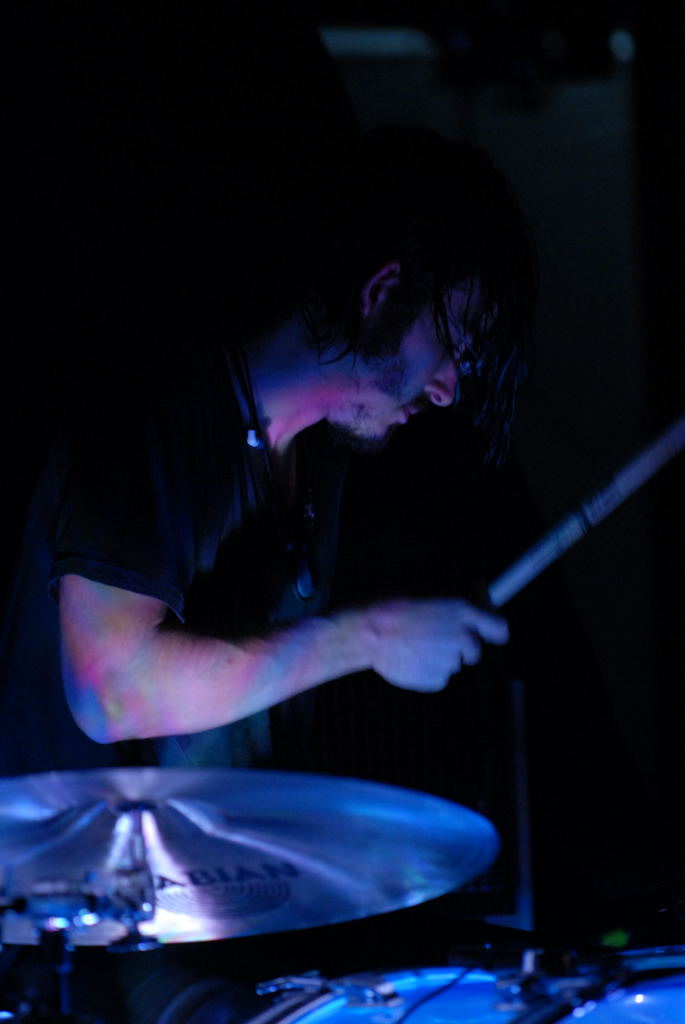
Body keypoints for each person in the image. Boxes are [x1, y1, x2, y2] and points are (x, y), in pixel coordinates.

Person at [0, 125, 535, 1020]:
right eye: (455, 344)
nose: (448, 387)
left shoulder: (316, 461)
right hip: (66, 947)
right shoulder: (157, 411)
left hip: (194, 924)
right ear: (382, 293)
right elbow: (113, 693)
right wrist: (370, 637)